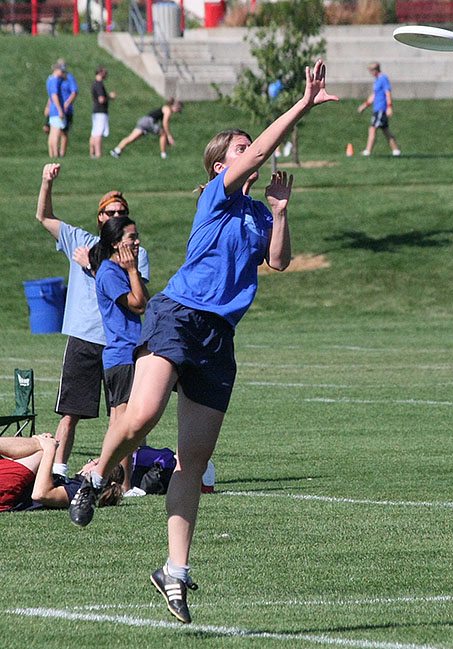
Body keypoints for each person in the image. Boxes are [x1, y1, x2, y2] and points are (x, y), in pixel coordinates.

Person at [69, 59, 338, 625]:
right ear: (222, 165)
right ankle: (93, 476)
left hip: (219, 338)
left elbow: (279, 261)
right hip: (179, 315)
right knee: (140, 417)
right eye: (240, 149)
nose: (251, 153)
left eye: (248, 147)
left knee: (194, 460)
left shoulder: (258, 214)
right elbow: (262, 153)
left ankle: (174, 571)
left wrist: (282, 212)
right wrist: (302, 104)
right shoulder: (216, 197)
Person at [35, 164, 150, 480]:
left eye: (122, 211)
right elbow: (44, 217)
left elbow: (134, 299)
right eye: (110, 211)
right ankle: (57, 472)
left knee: (124, 416)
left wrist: (92, 266)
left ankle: (124, 481)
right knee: (70, 413)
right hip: (84, 336)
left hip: (120, 342)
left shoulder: (136, 253)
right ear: (100, 217)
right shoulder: (80, 240)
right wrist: (47, 182)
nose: (116, 215)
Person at [89, 216, 150, 492]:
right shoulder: (110, 273)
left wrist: (132, 271)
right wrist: (134, 271)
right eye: (131, 238)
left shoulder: (118, 271)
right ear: (116, 243)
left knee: (121, 423)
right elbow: (138, 305)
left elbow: (144, 301)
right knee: (125, 425)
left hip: (124, 356)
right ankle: (123, 485)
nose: (137, 242)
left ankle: (114, 482)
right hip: (123, 356)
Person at [0, 434, 123, 513]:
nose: (87, 464)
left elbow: (40, 494)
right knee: (41, 444)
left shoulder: (79, 491)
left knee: (41, 449)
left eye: (93, 463)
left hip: (8, 490)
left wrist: (49, 449)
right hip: (9, 484)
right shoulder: (76, 485)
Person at [110, 98, 183, 159]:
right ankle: (164, 154)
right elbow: (165, 123)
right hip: (149, 121)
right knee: (163, 134)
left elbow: (162, 124)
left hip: (143, 120)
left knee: (131, 138)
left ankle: (117, 150)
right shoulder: (168, 109)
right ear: (176, 107)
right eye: (178, 110)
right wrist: (169, 136)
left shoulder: (165, 108)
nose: (177, 112)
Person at [357, 62, 400, 157]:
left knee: (372, 128)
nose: (370, 73)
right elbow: (374, 95)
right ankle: (396, 150)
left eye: (371, 71)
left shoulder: (383, 79)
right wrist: (364, 106)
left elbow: (387, 92)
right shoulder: (376, 81)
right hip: (377, 109)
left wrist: (389, 107)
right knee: (386, 131)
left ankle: (368, 151)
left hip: (381, 109)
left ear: (376, 70)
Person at [90, 66, 115, 158]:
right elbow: (101, 99)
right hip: (100, 111)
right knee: (99, 133)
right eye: (105, 72)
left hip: (96, 111)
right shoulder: (99, 84)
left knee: (94, 132)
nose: (106, 74)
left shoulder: (95, 84)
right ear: (100, 73)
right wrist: (110, 97)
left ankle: (92, 153)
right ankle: (98, 153)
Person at [45, 62, 67, 158]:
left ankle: (51, 154)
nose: (62, 73)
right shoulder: (54, 80)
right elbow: (54, 95)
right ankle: (55, 154)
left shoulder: (49, 79)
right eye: (61, 71)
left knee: (52, 133)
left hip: (52, 109)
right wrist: (60, 109)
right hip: (56, 109)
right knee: (56, 133)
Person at [59, 59, 79, 158]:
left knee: (63, 131)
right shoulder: (56, 79)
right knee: (54, 130)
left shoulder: (69, 78)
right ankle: (56, 151)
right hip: (57, 108)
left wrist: (67, 103)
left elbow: (74, 91)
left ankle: (62, 153)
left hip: (67, 109)